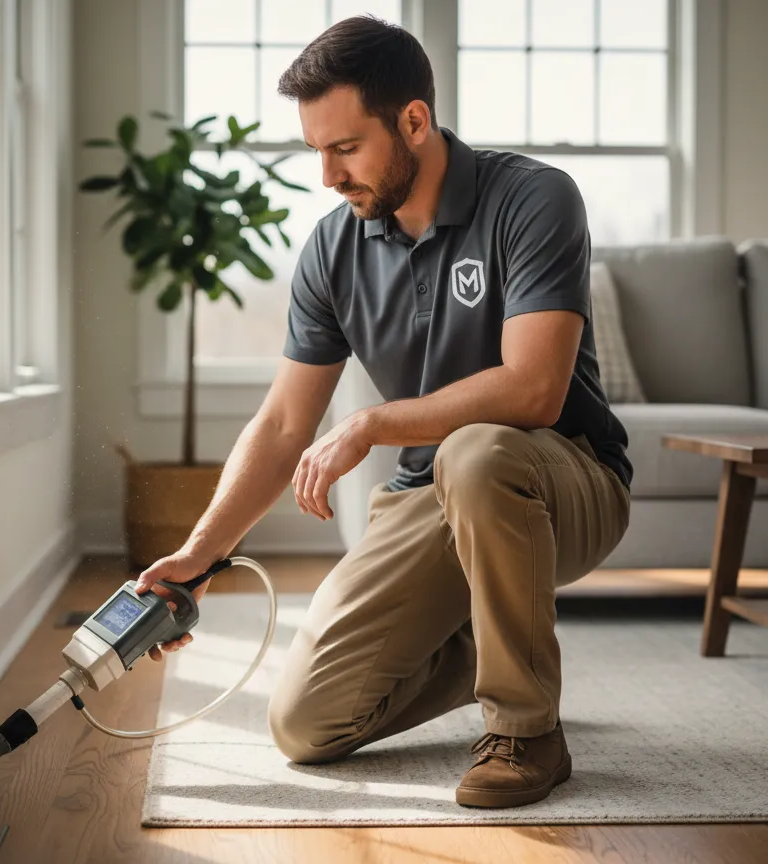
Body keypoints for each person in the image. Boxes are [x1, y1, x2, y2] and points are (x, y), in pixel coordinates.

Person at [135, 14, 632, 810]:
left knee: (476, 452)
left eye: (346, 148)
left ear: (414, 121)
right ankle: (492, 644)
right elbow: (283, 424)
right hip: (424, 498)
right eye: (316, 151)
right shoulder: (333, 250)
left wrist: (370, 423)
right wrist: (198, 554)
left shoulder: (532, 198)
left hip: (562, 479)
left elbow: (533, 390)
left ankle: (527, 730)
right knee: (305, 724)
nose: (328, 176)